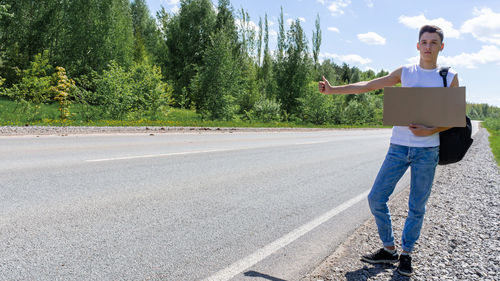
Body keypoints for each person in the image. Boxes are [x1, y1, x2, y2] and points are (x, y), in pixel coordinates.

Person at [318, 25, 459, 277]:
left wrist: (429, 130)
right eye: (424, 42)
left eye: (433, 42)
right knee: (376, 197)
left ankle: (406, 254)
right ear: (418, 45)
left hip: (427, 150)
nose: (428, 46)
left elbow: (455, 117)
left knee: (417, 206)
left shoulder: (448, 76)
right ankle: (389, 248)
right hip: (398, 147)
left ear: (441, 46)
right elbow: (368, 85)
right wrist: (333, 90)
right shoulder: (406, 72)